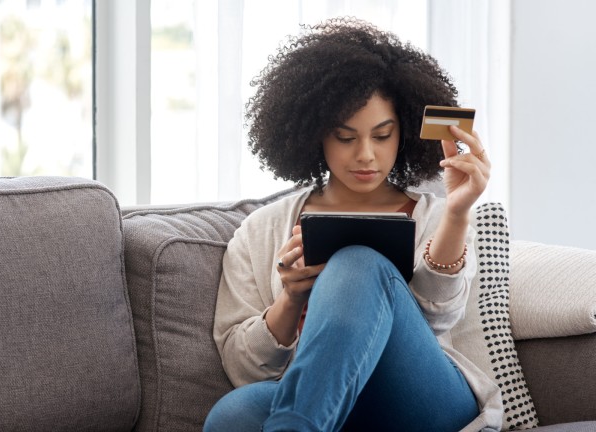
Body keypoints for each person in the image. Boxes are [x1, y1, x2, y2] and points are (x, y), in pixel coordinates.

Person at [203, 17, 502, 432]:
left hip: (423, 400)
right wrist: (290, 299)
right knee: (234, 414)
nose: (366, 155)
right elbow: (243, 368)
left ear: (404, 134)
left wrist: (457, 211)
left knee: (358, 264)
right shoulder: (261, 230)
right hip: (323, 400)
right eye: (345, 137)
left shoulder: (437, 214)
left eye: (382, 136)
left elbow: (439, 320)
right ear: (315, 136)